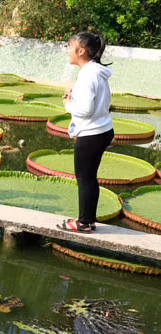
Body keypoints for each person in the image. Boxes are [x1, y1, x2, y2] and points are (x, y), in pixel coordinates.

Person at [58, 31, 114, 232]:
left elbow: (85, 110)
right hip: (102, 130)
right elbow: (102, 101)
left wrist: (68, 104)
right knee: (89, 178)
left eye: (69, 47)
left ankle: (83, 223)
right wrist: (75, 97)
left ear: (80, 51)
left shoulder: (87, 75)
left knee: (84, 179)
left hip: (91, 134)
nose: (67, 51)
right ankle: (88, 220)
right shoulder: (96, 72)